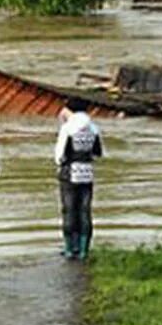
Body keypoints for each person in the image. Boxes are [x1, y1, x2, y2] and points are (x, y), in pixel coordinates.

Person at [54, 98, 103, 261]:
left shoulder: (68, 128)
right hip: (87, 172)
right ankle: (83, 250)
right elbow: (97, 153)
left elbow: (60, 155)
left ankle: (70, 248)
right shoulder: (94, 128)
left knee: (68, 210)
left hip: (69, 172)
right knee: (84, 210)